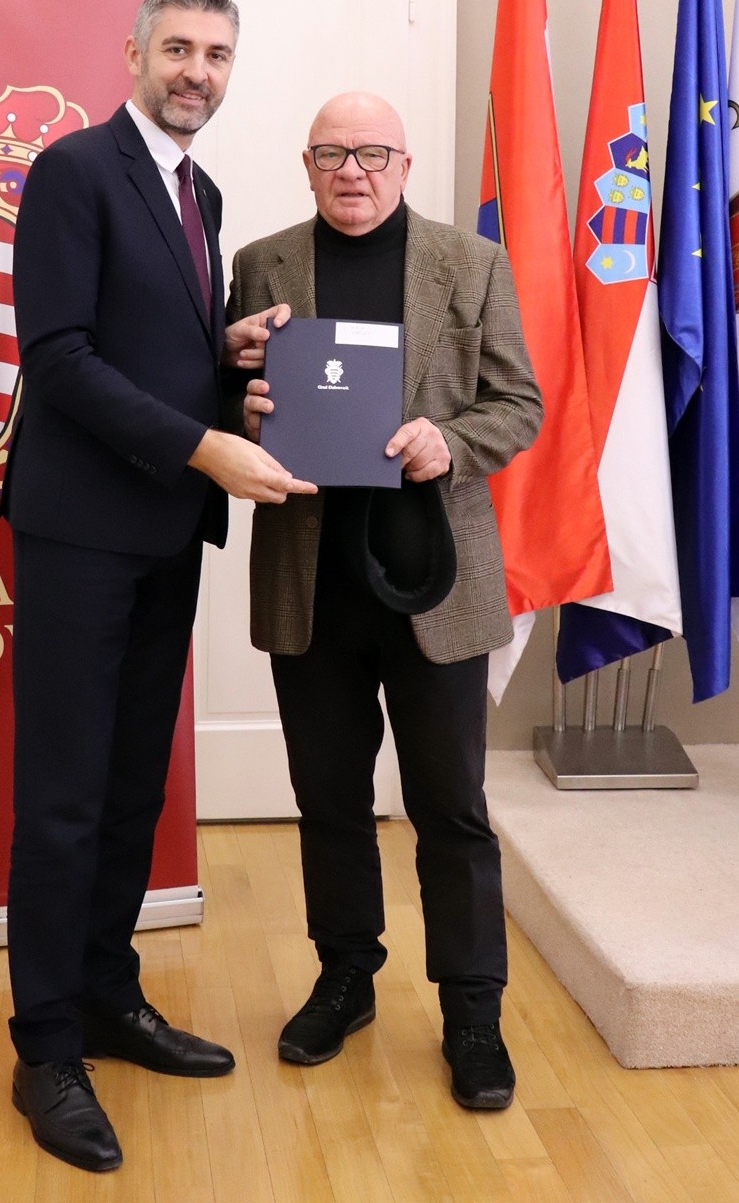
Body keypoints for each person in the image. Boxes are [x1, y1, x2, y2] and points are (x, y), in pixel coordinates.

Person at [2, 0, 314, 1172]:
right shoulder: (75, 170)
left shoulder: (200, 189)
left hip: (163, 534)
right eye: (177, 48)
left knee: (135, 783)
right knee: (65, 796)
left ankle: (104, 994)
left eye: (216, 54)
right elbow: (59, 357)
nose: (197, 71)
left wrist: (222, 352)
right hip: (80, 534)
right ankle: (44, 1046)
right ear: (134, 52)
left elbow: (143, 340)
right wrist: (204, 444)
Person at [228, 91, 542, 1111]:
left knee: (451, 808)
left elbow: (519, 404)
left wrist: (452, 441)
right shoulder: (262, 265)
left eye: (372, 153)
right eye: (332, 154)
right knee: (328, 800)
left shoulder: (471, 263)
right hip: (310, 580)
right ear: (307, 166)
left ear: (404, 164)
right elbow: (227, 397)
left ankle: (473, 1012)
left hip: (434, 580)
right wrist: (244, 407)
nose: (352, 171)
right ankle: (346, 979)